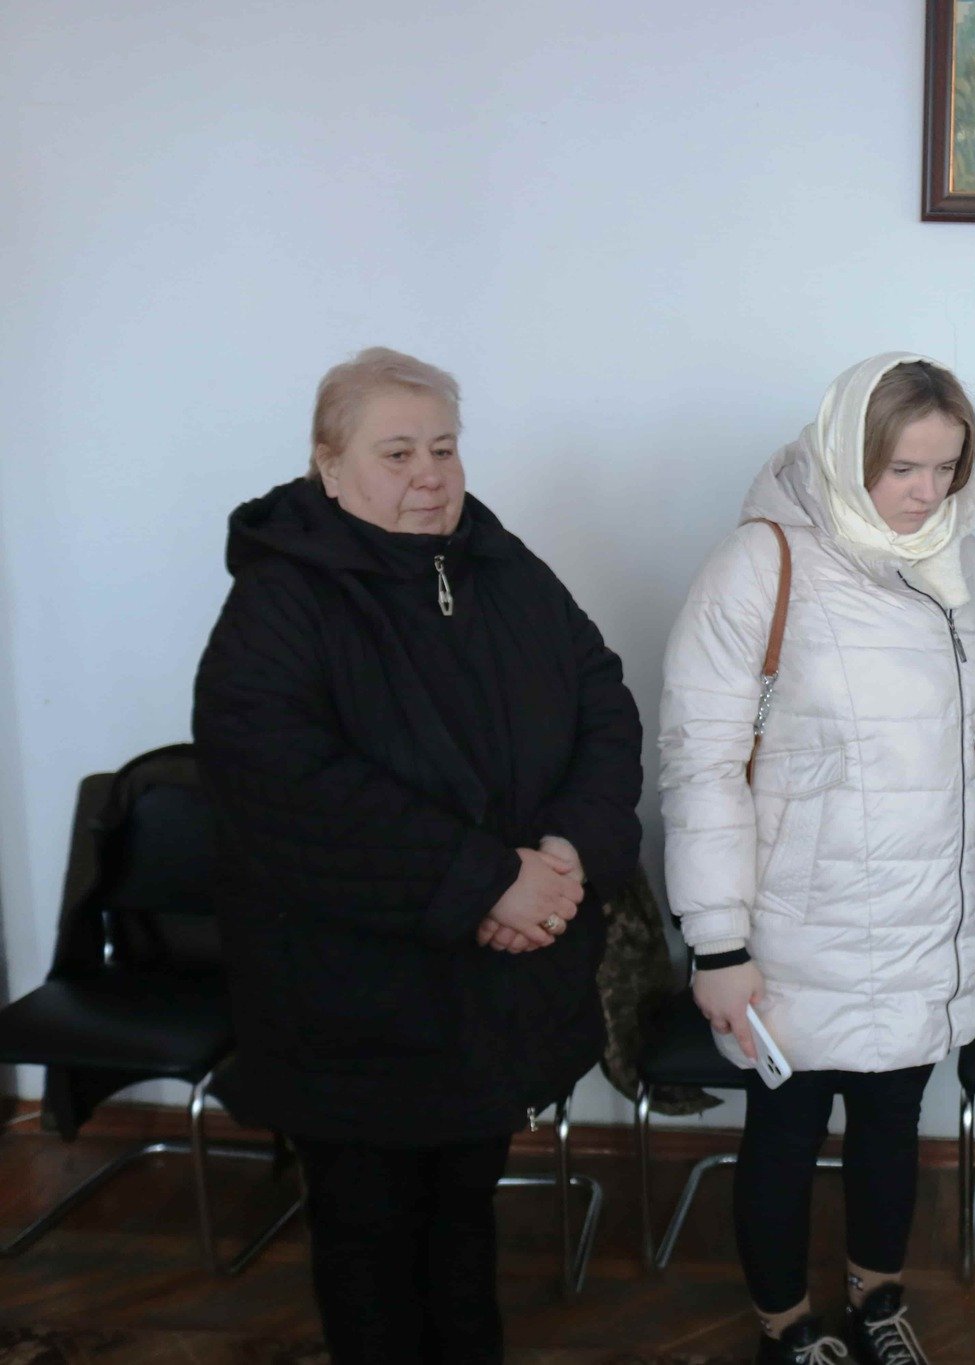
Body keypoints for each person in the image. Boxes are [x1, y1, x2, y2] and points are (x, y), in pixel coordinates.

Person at [193, 347, 643, 1364]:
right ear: (330, 467)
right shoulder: (282, 598)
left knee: (464, 1220)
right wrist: (489, 880)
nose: (430, 475)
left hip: (488, 997)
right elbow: (287, 784)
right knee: (371, 1238)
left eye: (443, 448)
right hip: (353, 1004)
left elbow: (602, 706)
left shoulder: (502, 565)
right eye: (396, 453)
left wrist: (566, 853)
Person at [661, 353, 975, 1365]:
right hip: (794, 926)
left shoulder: (961, 562)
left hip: (925, 915)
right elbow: (700, 763)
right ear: (843, 453)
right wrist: (717, 945)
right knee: (785, 1130)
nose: (926, 493)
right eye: (902, 468)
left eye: (945, 468)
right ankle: (785, 1329)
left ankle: (876, 1302)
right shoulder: (761, 561)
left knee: (892, 1123)